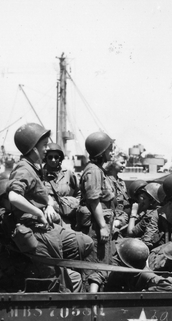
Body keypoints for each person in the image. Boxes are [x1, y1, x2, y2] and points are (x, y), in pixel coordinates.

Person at [7, 122, 101, 292]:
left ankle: (61, 268)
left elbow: (41, 192)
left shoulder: (33, 169)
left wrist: (49, 205)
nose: (45, 150)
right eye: (43, 146)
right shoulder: (23, 169)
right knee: (64, 283)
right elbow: (14, 196)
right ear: (33, 148)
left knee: (85, 243)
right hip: (36, 231)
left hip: (46, 228)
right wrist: (38, 213)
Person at [79, 130, 128, 262]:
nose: (112, 153)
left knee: (103, 264)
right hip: (95, 227)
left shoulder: (98, 170)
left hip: (102, 224)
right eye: (109, 150)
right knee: (96, 267)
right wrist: (102, 227)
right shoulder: (94, 171)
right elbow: (94, 201)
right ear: (101, 153)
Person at [97, 237, 172, 292]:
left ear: (127, 264)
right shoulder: (120, 270)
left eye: (119, 258)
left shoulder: (145, 274)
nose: (115, 258)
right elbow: (98, 275)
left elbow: (168, 286)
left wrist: (141, 294)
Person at [41, 142, 81, 226]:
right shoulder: (40, 175)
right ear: (45, 158)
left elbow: (79, 193)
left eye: (56, 157)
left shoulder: (68, 174)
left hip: (68, 219)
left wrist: (74, 206)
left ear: (60, 158)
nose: (53, 160)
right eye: (50, 157)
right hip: (48, 218)